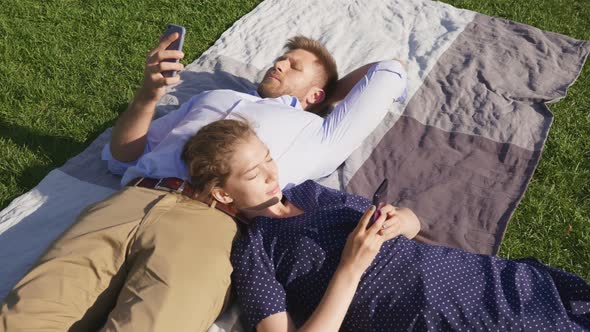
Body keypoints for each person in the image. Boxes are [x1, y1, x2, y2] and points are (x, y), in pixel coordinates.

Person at [0, 33, 407, 331]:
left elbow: (389, 70)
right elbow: (120, 156)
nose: (279, 64)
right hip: (130, 200)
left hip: (211, 222)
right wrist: (148, 95)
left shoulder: (318, 132)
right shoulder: (209, 98)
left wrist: (327, 95)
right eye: (281, 57)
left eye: (294, 65)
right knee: (25, 317)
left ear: (316, 93)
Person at [181, 119, 590, 332]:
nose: (271, 173)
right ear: (223, 194)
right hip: (435, 318)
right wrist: (350, 267)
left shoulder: (313, 193)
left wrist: (402, 220)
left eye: (268, 157)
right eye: (253, 173)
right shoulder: (255, 252)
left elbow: (409, 228)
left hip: (479, 278)